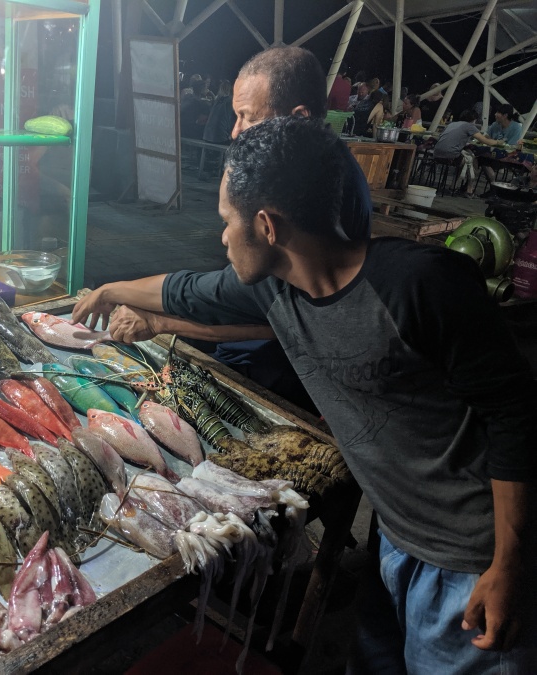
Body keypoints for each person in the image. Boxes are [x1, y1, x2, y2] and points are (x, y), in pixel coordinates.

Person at [91, 116, 537, 671]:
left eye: (228, 222)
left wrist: (508, 566)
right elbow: (185, 291)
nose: (222, 237)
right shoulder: (279, 287)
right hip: (396, 536)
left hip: (471, 557)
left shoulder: (420, 285)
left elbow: (516, 416)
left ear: (268, 226)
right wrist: (107, 290)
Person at [73, 45, 372, 412]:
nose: (234, 132)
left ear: (298, 119)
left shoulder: (315, 199)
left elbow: (264, 311)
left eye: (246, 116)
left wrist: (155, 317)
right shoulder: (310, 173)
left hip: (280, 378)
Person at [433, 109, 503, 198]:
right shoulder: (469, 126)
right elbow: (485, 141)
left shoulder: (452, 124)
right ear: (474, 119)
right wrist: (498, 142)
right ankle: (469, 190)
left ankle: (454, 186)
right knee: (472, 159)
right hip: (450, 156)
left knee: (466, 156)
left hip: (436, 154)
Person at [202, 80, 237, 144]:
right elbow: (232, 121)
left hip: (207, 136)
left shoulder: (217, 100)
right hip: (220, 138)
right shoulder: (230, 101)